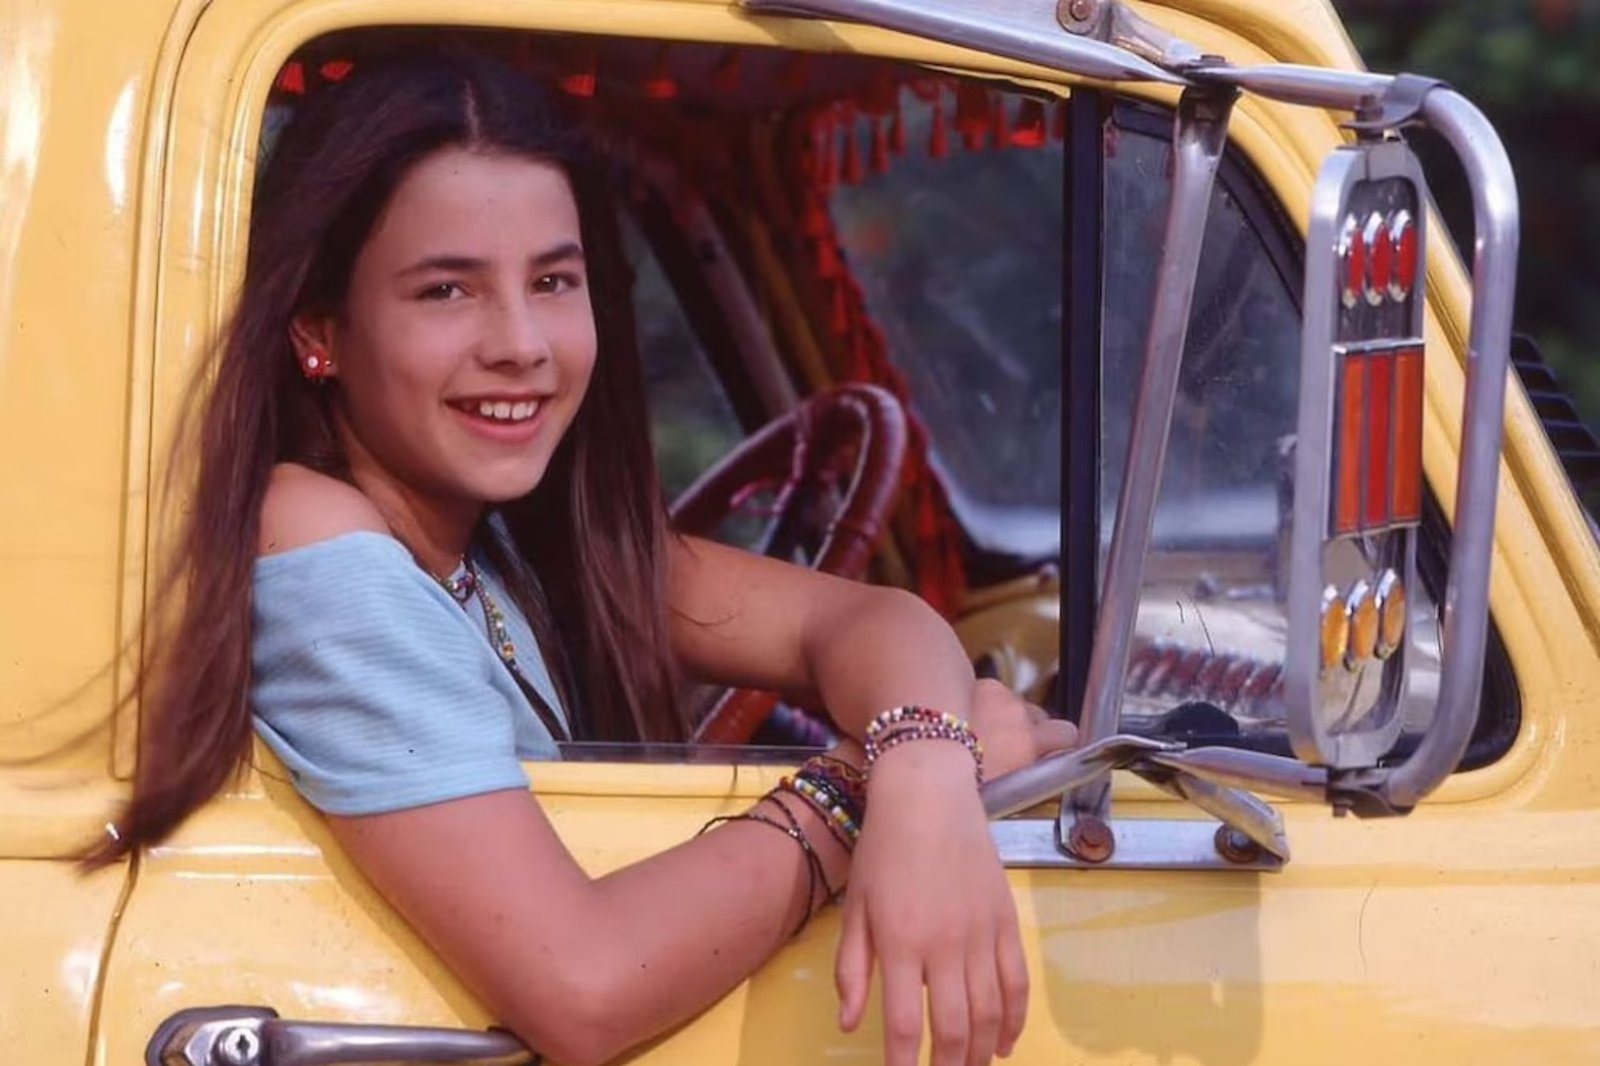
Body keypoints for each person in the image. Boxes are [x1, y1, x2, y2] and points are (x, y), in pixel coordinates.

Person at [90, 51, 1078, 1066]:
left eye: (553, 281)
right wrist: (861, 792)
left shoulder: (499, 535)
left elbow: (864, 619)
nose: (522, 343)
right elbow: (584, 987)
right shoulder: (317, 542)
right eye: (446, 290)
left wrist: (926, 766)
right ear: (320, 331)